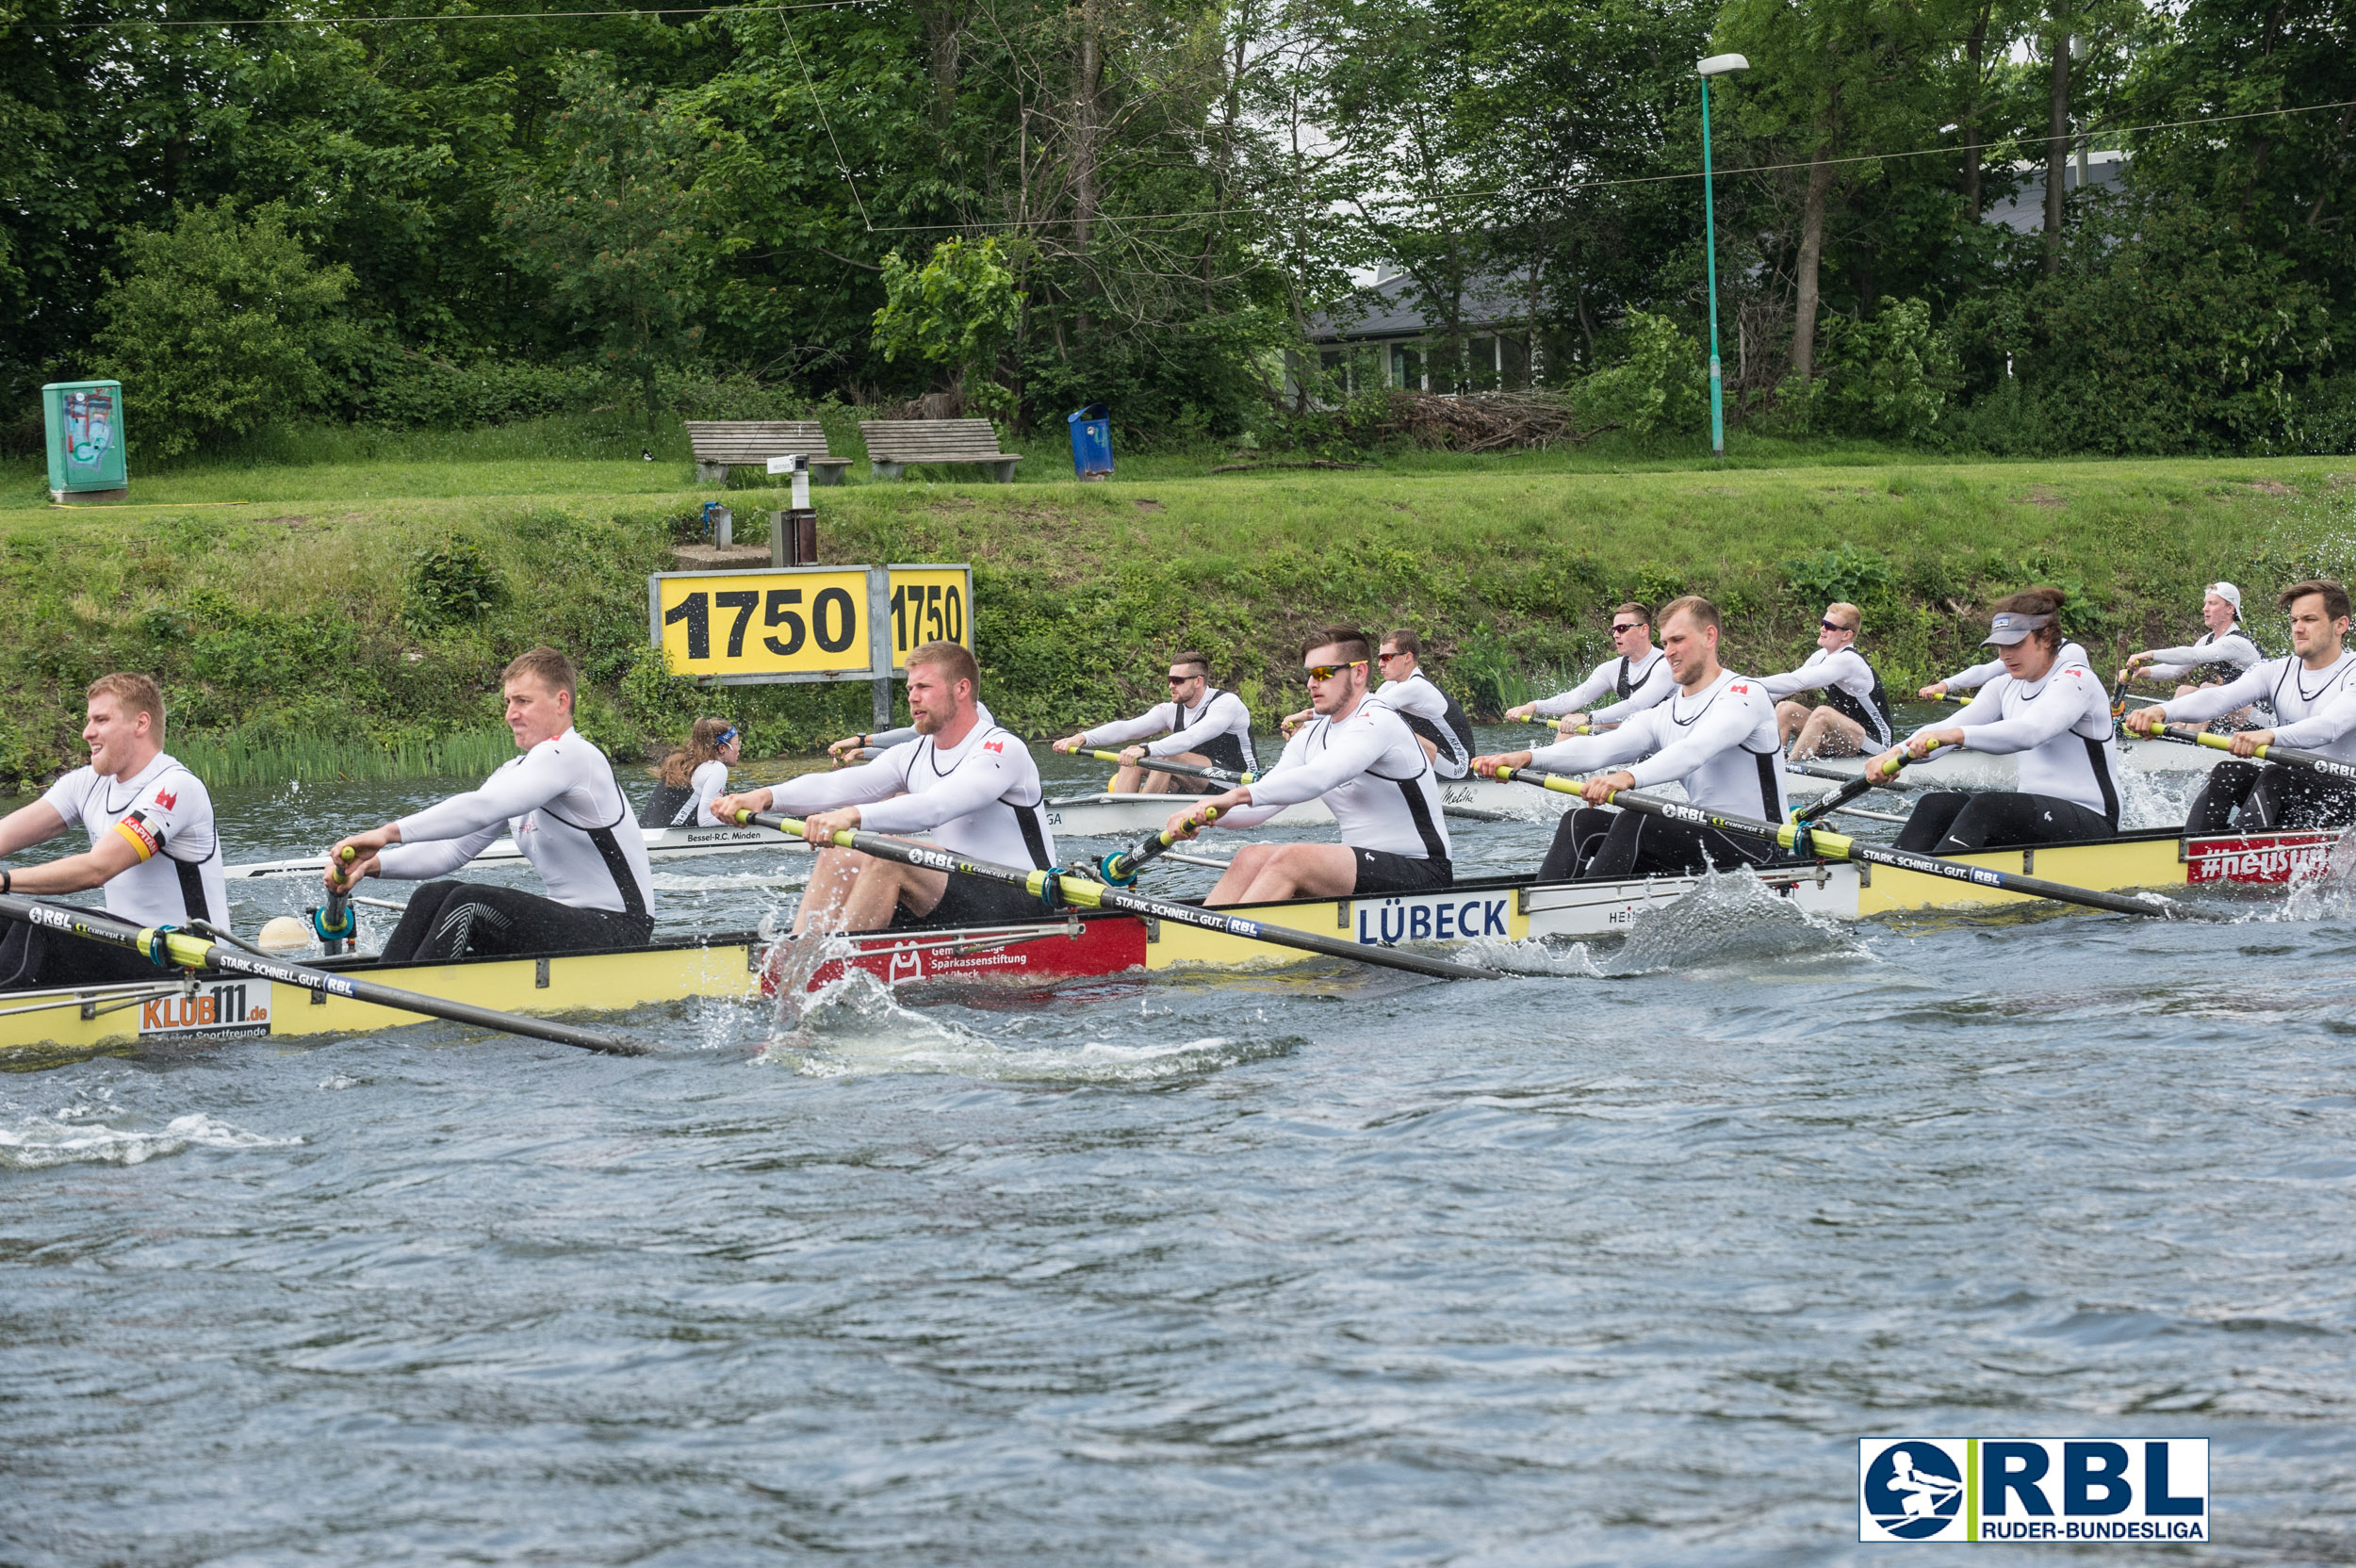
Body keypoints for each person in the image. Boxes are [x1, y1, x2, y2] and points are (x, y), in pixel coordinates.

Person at [325, 647, 656, 964]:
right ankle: (382, 988)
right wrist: (370, 866)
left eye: (523, 701)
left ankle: (406, 1003)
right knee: (432, 895)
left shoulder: (575, 756)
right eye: (509, 701)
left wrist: (387, 833)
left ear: (561, 702)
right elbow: (450, 851)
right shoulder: (514, 773)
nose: (511, 714)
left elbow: (480, 807)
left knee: (468, 902)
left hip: (620, 930)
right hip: (569, 924)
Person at [711, 641, 1054, 934]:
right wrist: (764, 797)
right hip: (959, 891)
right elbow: (838, 785)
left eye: (924, 687)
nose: (912, 698)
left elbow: (937, 806)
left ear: (961, 689)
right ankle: (802, 954)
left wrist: (851, 817)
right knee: (840, 851)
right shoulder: (913, 752)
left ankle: (836, 971)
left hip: (1023, 896)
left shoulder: (1001, 749)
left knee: (887, 857)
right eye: (910, 689)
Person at [1472, 596, 1790, 882]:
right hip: (1708, 839)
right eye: (1665, 643)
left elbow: (1694, 750)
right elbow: (1597, 749)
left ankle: (1581, 912)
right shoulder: (1666, 713)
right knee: (1580, 821)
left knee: (1636, 820)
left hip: (1761, 845)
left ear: (1710, 636)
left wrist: (1627, 777)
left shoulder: (1744, 694)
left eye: (1678, 640)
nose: (1669, 653)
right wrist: (1524, 758)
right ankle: (1537, 912)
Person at [1166, 627, 1450, 906]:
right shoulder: (1313, 735)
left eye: (1323, 673)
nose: (1311, 684)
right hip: (1362, 867)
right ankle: (1198, 941)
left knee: (1292, 859)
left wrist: (1233, 795)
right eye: (1308, 674)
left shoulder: (1377, 720)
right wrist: (1201, 811)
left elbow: (1321, 776)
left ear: (1359, 673)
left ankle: (1226, 948)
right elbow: (1263, 803)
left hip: (1423, 871)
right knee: (1249, 857)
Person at [0, 673, 229, 989]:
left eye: (101, 720)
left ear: (141, 724)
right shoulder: (86, 783)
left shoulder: (175, 789)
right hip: (126, 949)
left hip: (188, 962)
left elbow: (98, 868)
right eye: (88, 720)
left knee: (37, 921)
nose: (86, 732)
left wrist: (5, 881)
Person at [1871, 589, 2122, 854]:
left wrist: (1955, 736)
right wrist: (1895, 753)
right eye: (2000, 646)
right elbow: (1947, 726)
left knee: (1988, 806)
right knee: (1936, 804)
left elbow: (2030, 732)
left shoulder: (2076, 680)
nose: (2004, 656)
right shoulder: (2003, 686)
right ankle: (1893, 874)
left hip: (2092, 820)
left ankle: (1935, 884)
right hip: (2036, 816)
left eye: (2014, 645)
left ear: (2046, 637)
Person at [2124, 580, 2356, 831]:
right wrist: (2162, 711)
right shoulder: (2276, 670)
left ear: (2340, 625)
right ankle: (2192, 852)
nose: (2298, 629)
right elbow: (2219, 698)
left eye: (2309, 620)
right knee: (2227, 773)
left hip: (2345, 794)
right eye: (2294, 621)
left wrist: (2267, 735)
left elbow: (2329, 726)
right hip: (2296, 792)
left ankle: (2235, 859)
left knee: (2276, 776)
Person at [1050, 651, 1255, 794]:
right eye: (1169, 679)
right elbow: (1127, 728)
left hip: (1238, 782)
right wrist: (1081, 737)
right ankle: (1120, 813)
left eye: (1177, 680)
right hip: (1198, 781)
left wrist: (1147, 750)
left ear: (1198, 681)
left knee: (1166, 754)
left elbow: (1191, 737)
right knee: (1131, 754)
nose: (1170, 686)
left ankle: (1142, 817)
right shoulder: (1171, 709)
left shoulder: (1226, 704)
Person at [1283, 628, 1478, 778]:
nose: (1380, 664)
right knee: (1371, 722)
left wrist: (1305, 717)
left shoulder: (1417, 688)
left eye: (1387, 658)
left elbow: (1358, 710)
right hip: (1435, 760)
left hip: (1458, 767)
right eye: (1379, 658)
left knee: (1384, 725)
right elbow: (1354, 708)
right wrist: (1308, 727)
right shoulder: (1390, 686)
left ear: (1407, 657)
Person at [1505, 601, 1672, 731]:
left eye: (1622, 629)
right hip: (1635, 733)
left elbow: (1636, 706)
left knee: (1590, 724)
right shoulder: (1611, 669)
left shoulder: (1666, 665)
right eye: (1614, 629)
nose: (1615, 635)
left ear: (1644, 630)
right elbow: (1573, 699)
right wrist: (1533, 706)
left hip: (1666, 735)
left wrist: (1587, 717)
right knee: (1569, 731)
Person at [1759, 601, 1894, 760]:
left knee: (1823, 714)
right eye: (1823, 623)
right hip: (1842, 737)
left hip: (1877, 746)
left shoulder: (1848, 661)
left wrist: (1742, 683)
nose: (1822, 629)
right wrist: (1744, 697)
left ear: (1846, 635)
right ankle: (1771, 765)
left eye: (1829, 626)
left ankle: (1791, 767)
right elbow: (1788, 687)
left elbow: (1797, 681)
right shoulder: (1821, 656)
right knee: (1784, 709)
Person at [2120, 581, 2266, 698]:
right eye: (2205, 603)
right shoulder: (2208, 640)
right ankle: (2174, 732)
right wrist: (2138, 672)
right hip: (2235, 706)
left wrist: (2149, 655)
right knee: (2184, 690)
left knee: (2206, 688)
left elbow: (2192, 654)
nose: (2205, 608)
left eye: (2212, 603)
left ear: (2229, 609)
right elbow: (2175, 670)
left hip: (2261, 715)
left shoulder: (2236, 642)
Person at [640, 718, 742, 827]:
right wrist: (748, 818)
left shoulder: (685, 764)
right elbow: (706, 820)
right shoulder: (716, 768)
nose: (739, 748)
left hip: (645, 836)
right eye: (737, 743)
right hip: (667, 841)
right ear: (722, 748)